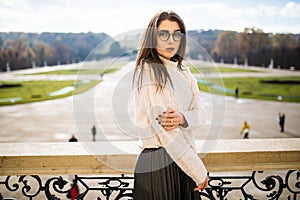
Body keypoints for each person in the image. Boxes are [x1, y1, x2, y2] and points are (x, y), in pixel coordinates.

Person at [132, 10, 209, 199]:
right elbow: (166, 133)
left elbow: (202, 113)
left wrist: (183, 117)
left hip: (183, 162)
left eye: (176, 35)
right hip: (158, 166)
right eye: (163, 34)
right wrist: (198, 170)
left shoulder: (184, 71)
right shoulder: (149, 71)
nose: (171, 41)